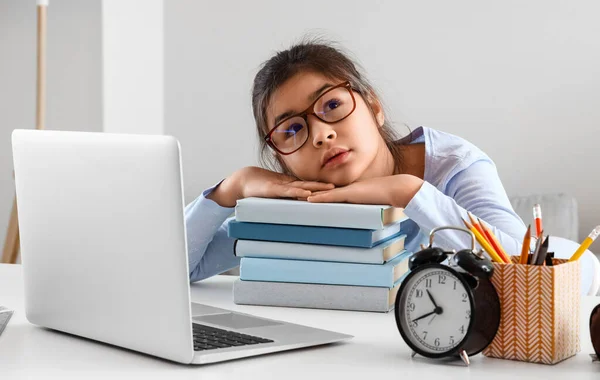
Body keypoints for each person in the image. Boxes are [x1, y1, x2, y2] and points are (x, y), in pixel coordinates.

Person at [185, 39, 594, 294]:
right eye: (292, 129)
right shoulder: (301, 195)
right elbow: (182, 269)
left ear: (374, 107)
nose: (322, 135)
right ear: (282, 160)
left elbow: (526, 272)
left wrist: (408, 193)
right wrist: (229, 190)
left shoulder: (453, 164)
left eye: (332, 105)